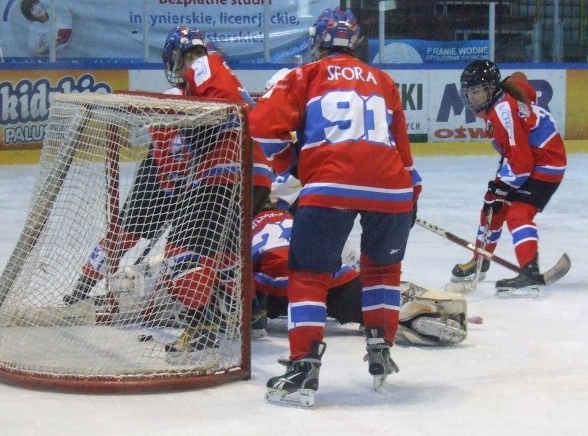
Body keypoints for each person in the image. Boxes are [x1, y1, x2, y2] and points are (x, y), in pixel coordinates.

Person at [248, 8, 421, 406]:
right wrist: (411, 192)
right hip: (392, 187)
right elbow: (403, 150)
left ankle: (303, 368)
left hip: (330, 184)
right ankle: (381, 350)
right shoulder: (384, 80)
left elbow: (259, 125)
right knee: (383, 270)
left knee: (308, 274)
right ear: (356, 42)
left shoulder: (305, 75)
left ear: (318, 43)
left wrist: (290, 163)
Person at [157, 26, 273, 359]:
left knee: (183, 249)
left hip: (226, 174)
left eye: (176, 60)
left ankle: (202, 328)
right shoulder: (222, 73)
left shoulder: (203, 67)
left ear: (182, 56)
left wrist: (190, 132)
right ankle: (251, 315)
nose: (177, 68)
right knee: (227, 253)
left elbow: (218, 113)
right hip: (257, 176)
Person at [250, 202, 466, 346]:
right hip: (328, 280)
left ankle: (254, 316)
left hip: (274, 290)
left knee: (260, 285)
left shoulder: (244, 226)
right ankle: (414, 313)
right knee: (371, 301)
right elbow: (348, 258)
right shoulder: (301, 220)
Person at [62, 85, 190, 306]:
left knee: (188, 244)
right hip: (156, 181)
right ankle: (83, 286)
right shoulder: (173, 98)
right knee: (123, 236)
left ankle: (186, 297)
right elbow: (163, 151)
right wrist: (172, 183)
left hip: (191, 183)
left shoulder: (209, 98)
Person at [451, 60, 566, 298]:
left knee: (517, 213)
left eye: (477, 90)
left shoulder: (502, 112)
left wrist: (503, 187)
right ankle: (480, 260)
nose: (472, 97)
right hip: (529, 158)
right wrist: (498, 191)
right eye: (469, 91)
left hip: (546, 162)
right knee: (492, 205)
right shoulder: (499, 100)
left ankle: (529, 272)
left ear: (491, 88)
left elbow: (522, 164)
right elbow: (522, 81)